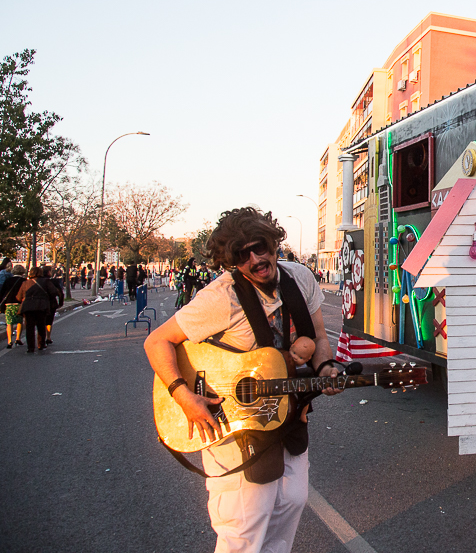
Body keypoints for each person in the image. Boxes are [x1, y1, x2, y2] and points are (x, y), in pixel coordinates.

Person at [144, 207, 338, 553]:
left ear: (274, 242)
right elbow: (157, 340)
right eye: (242, 254)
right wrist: (184, 395)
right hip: (232, 422)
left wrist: (325, 369)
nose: (255, 258)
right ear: (231, 261)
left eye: (260, 246)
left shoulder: (301, 279)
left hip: (288, 413)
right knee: (245, 525)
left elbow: (320, 337)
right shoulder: (221, 298)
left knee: (292, 501)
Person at [16, 266, 55, 353]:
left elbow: (19, 297)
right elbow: (53, 292)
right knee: (41, 326)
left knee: (29, 327)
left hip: (28, 307)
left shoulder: (25, 283)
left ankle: (30, 347)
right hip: (41, 306)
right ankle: (41, 344)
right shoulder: (45, 281)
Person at [0, 265, 26, 349]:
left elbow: (2, 292)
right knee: (20, 321)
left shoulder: (8, 280)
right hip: (19, 303)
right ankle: (18, 338)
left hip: (9, 303)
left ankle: (9, 341)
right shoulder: (24, 281)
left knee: (9, 323)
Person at [43, 266, 65, 345]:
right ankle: (48, 336)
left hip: (40, 303)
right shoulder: (54, 281)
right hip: (51, 303)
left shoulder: (38, 281)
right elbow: (60, 293)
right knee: (49, 321)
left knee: (41, 321)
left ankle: (42, 336)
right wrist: (60, 303)